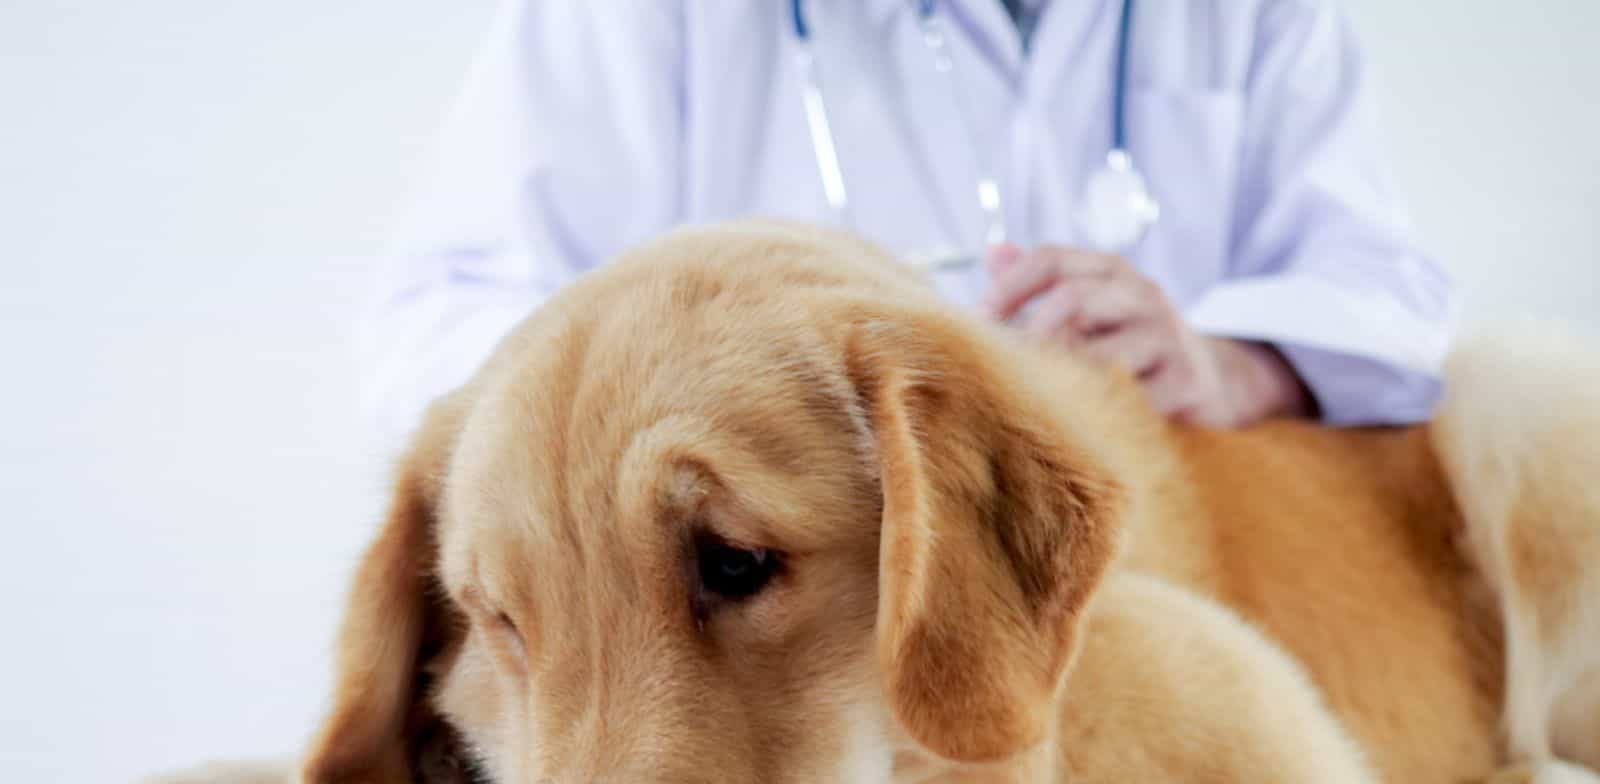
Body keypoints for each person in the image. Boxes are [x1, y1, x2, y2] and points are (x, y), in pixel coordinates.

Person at [355, 0, 1455, 447]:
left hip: (1157, 564)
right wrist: (711, 386)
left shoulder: (1250, 16)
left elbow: (1397, 302)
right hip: (785, 613)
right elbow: (434, 331)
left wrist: (1226, 365)